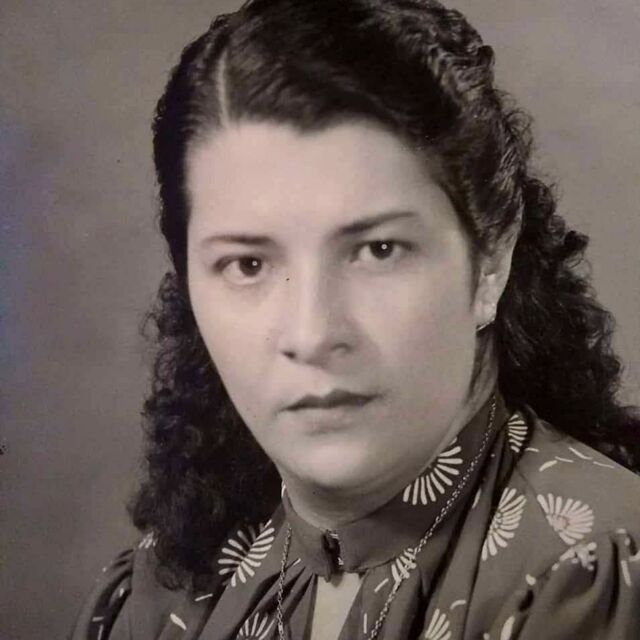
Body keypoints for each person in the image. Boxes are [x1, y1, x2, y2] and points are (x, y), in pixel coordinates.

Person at [71, 1, 640, 638]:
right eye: (247, 264)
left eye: (379, 250)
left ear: (489, 266)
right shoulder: (173, 583)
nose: (312, 334)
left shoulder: (589, 571)